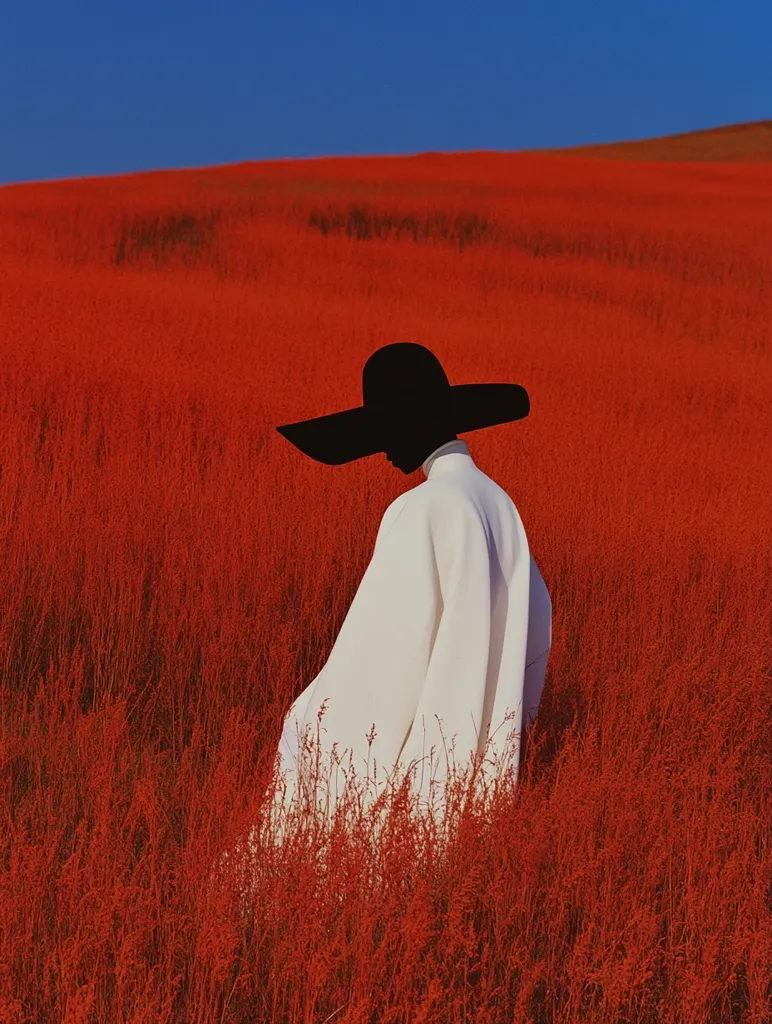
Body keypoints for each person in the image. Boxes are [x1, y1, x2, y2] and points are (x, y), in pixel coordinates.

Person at [269, 342, 552, 841]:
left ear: (407, 423)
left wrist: (305, 726)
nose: (383, 451)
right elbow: (532, 636)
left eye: (385, 432)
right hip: (483, 810)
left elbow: (380, 660)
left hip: (412, 805)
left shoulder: (422, 510)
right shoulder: (503, 510)